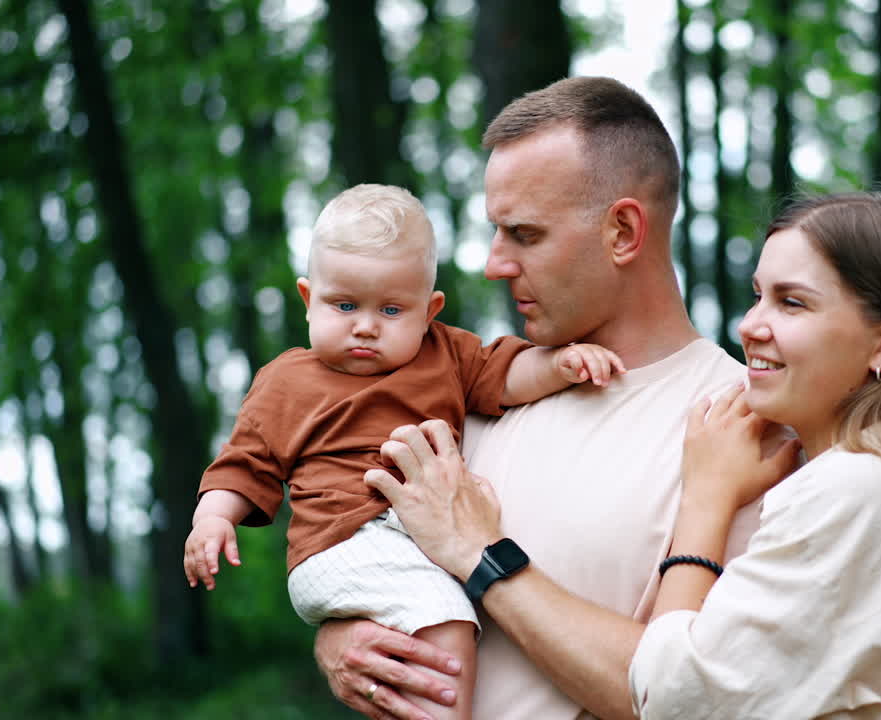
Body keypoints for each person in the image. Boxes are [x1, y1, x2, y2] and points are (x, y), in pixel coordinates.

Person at [367, 191, 881, 719]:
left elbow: (674, 697)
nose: (751, 325)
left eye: (792, 302)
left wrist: (480, 550)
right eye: (758, 294)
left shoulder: (859, 490)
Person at [313, 77, 761, 720]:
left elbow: (696, 694)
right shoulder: (466, 388)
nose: (495, 263)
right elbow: (369, 566)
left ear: (622, 231)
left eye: (524, 234)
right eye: (496, 231)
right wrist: (341, 639)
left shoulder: (743, 427)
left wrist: (481, 554)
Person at [181, 183, 624, 720]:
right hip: (343, 536)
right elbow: (244, 464)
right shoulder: (285, 381)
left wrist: (559, 365)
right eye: (344, 305)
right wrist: (212, 520)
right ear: (307, 299)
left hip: (412, 539)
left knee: (428, 628)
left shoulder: (447, 354)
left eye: (391, 309)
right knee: (444, 618)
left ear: (429, 310)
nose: (365, 326)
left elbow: (507, 374)